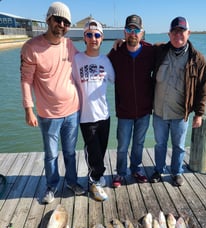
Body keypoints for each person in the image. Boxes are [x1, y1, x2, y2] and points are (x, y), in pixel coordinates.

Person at [20, 2, 85, 204]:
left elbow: (86, 60)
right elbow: (25, 80)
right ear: (48, 19)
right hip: (48, 113)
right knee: (50, 154)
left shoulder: (69, 45)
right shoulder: (31, 47)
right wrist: (28, 109)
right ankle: (52, 185)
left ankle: (72, 182)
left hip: (73, 110)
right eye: (58, 20)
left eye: (66, 22)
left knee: (70, 152)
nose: (62, 25)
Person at [150, 16, 206, 186]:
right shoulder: (159, 51)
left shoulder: (198, 59)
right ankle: (159, 170)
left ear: (188, 33)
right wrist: (122, 41)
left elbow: (203, 89)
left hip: (180, 113)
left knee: (179, 146)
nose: (178, 36)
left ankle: (177, 172)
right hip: (160, 111)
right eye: (174, 32)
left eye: (182, 32)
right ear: (169, 34)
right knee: (160, 144)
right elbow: (139, 47)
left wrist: (199, 114)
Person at [108, 14, 155, 188]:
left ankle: (136, 169)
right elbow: (99, 63)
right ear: (124, 32)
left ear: (142, 33)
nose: (132, 33)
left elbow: (168, 49)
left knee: (138, 144)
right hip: (124, 111)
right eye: (129, 30)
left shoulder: (151, 52)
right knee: (122, 145)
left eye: (136, 30)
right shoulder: (116, 53)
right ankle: (120, 173)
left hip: (144, 111)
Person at [72, 19, 115, 202]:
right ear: (84, 38)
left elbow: (115, 80)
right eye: (89, 35)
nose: (93, 38)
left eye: (97, 35)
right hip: (86, 117)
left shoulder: (106, 61)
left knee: (102, 150)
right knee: (93, 152)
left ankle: (97, 175)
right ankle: (94, 181)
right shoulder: (77, 60)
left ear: (101, 38)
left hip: (104, 115)